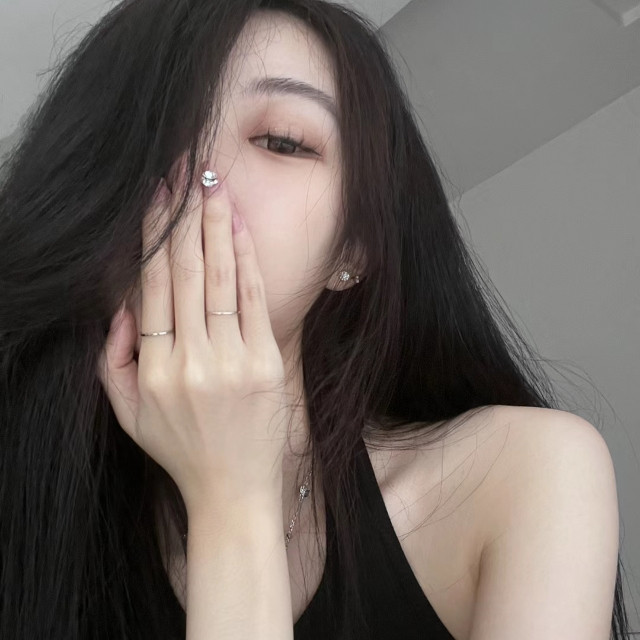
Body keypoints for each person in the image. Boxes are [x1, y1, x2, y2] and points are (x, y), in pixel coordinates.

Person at [0, 1, 631, 639]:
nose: (198, 177)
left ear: (351, 249)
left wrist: (231, 500)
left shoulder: (525, 476)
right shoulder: (35, 513)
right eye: (151, 129)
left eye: (282, 141)